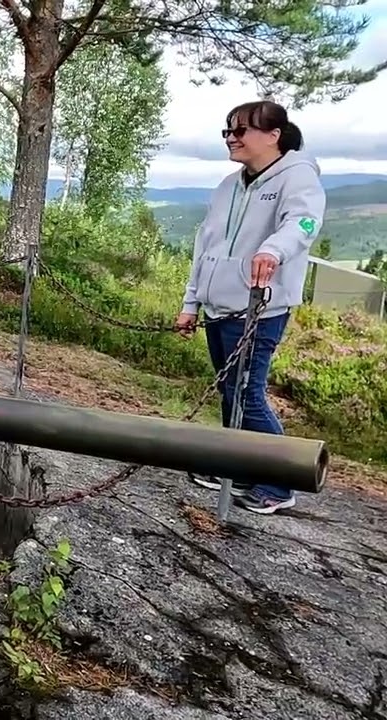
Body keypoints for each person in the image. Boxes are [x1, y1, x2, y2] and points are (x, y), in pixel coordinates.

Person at [174, 100, 325, 515]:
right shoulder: (228, 185)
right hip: (218, 308)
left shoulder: (297, 178)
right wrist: (191, 303)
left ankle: (280, 481)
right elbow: (205, 247)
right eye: (227, 132)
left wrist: (274, 250)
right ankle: (238, 465)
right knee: (230, 390)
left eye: (241, 131)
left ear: (274, 135)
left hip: (260, 309)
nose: (231, 139)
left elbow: (304, 224)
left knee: (247, 392)